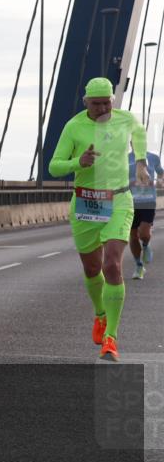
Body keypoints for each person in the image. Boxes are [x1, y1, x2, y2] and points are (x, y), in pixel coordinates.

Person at [48, 77, 150, 362]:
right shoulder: (73, 126)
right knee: (92, 269)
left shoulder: (125, 119)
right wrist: (77, 162)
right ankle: (100, 313)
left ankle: (111, 339)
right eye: (96, 104)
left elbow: (139, 133)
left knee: (112, 264)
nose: (103, 108)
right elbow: (53, 167)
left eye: (107, 103)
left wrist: (141, 163)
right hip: (86, 203)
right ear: (85, 103)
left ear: (113, 101)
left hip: (118, 200)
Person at [128, 150, 163, 279]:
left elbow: (161, 173)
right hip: (130, 202)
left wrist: (160, 180)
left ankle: (146, 245)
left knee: (144, 233)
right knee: (133, 236)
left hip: (148, 200)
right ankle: (139, 266)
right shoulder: (125, 158)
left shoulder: (153, 157)